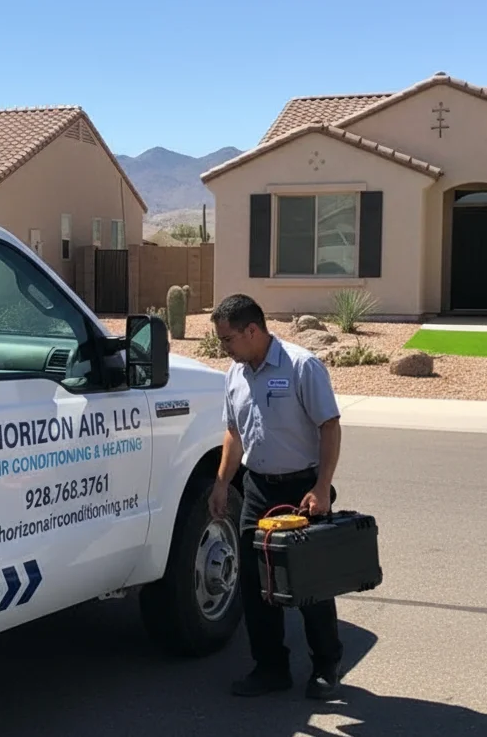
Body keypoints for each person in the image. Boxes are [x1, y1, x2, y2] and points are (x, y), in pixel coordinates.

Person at [207, 293, 344, 700]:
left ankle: (326, 665)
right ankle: (270, 668)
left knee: (308, 582)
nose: (224, 348)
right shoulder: (235, 374)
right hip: (257, 489)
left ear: (252, 330)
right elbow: (233, 432)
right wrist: (220, 482)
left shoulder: (302, 366)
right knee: (255, 583)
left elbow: (330, 427)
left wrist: (321, 487)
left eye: (228, 339)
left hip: (303, 490)